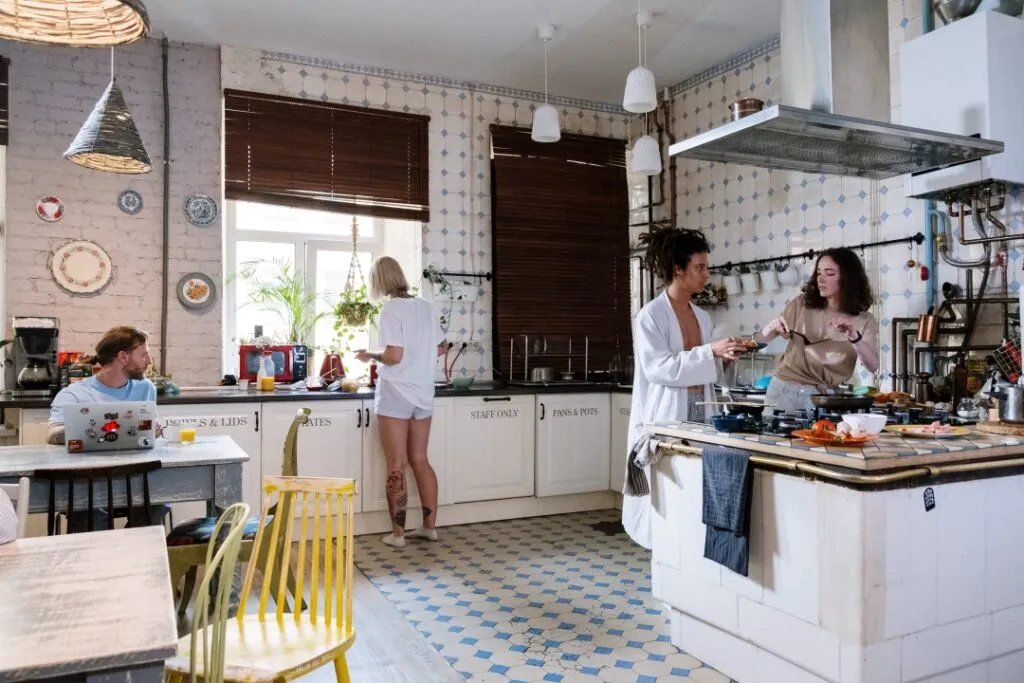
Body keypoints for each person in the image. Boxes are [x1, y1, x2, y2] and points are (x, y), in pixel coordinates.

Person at [623, 228, 748, 550]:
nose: (706, 274)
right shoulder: (650, 316)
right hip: (666, 416)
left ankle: (691, 554)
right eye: (700, 268)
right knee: (669, 491)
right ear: (678, 269)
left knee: (695, 488)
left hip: (701, 411)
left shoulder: (703, 316)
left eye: (706, 267)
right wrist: (710, 353)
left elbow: (704, 369)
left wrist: (726, 358)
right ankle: (667, 556)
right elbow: (658, 368)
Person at [355, 256, 445, 548]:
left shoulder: (391, 309)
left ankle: (397, 536)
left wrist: (370, 354)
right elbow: (441, 348)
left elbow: (394, 356)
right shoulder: (425, 307)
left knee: (397, 464)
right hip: (423, 392)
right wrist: (421, 361)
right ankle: (429, 527)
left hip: (397, 391)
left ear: (381, 281)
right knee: (420, 459)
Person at [47, 326, 167, 532]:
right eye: (144, 355)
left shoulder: (145, 388)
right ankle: (97, 561)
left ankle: (134, 557)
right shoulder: (74, 394)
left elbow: (146, 434)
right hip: (88, 481)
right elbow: (53, 434)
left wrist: (153, 430)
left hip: (136, 478)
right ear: (123, 357)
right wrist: (100, 429)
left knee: (159, 502)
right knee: (89, 512)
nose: (149, 361)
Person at [758, 247, 880, 414]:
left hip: (828, 399)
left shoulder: (865, 320)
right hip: (785, 391)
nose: (820, 279)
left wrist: (854, 336)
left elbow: (872, 366)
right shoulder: (802, 304)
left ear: (848, 278)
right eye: (818, 273)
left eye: (829, 274)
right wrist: (771, 326)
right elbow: (759, 341)